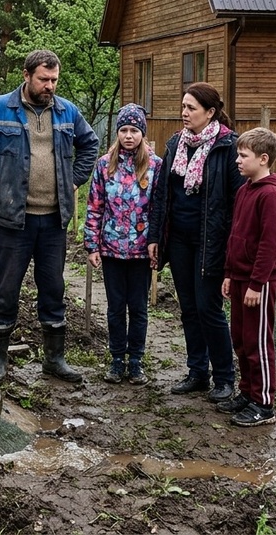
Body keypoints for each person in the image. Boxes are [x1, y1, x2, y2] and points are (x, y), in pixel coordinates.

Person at [0, 50, 100, 385]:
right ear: (26, 75)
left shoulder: (67, 111)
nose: (50, 86)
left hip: (53, 221)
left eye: (54, 80)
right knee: (5, 290)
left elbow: (90, 144)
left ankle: (54, 359)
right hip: (13, 220)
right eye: (44, 79)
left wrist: (73, 180)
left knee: (53, 289)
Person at [148, 82, 245, 402]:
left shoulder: (227, 147)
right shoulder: (176, 144)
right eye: (183, 106)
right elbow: (162, 194)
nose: (184, 112)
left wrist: (231, 248)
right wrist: (155, 236)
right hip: (178, 239)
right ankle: (197, 372)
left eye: (191, 108)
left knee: (208, 308)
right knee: (188, 308)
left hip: (211, 241)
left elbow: (236, 203)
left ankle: (225, 378)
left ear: (210, 112)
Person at [83, 103, 161, 385]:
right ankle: (117, 359)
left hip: (141, 250)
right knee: (116, 307)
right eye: (124, 130)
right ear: (117, 133)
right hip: (112, 248)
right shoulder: (105, 165)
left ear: (142, 133)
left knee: (138, 307)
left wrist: (157, 244)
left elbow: (159, 209)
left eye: (134, 130)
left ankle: (136, 361)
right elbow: (95, 206)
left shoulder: (155, 166)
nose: (129, 136)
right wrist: (92, 245)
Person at [219, 127, 276, 426]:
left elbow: (270, 245)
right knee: (241, 338)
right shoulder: (245, 190)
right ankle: (247, 393)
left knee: (258, 342)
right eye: (238, 153)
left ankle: (263, 403)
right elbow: (235, 236)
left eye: (243, 155)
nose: (237, 160)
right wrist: (228, 273)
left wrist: (257, 284)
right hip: (239, 278)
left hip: (259, 283)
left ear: (263, 159)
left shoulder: (271, 195)